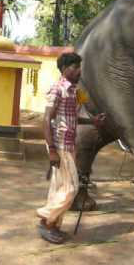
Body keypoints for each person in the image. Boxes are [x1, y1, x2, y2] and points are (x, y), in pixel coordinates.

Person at [36, 52, 103, 244]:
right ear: (64, 69)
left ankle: (53, 225)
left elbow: (71, 118)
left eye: (79, 67)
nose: (78, 71)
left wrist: (93, 121)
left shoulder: (73, 91)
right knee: (71, 188)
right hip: (60, 145)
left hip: (69, 144)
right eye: (74, 67)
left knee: (58, 187)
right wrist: (52, 150)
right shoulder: (57, 89)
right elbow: (47, 120)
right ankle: (45, 220)